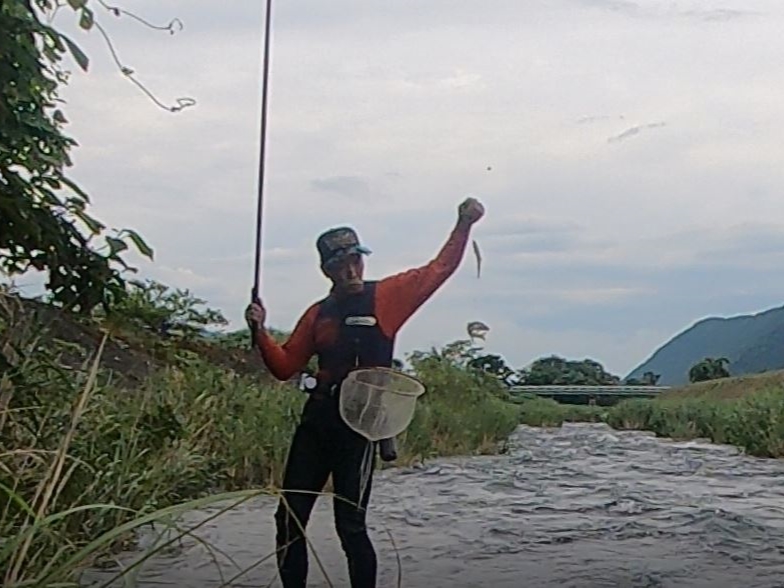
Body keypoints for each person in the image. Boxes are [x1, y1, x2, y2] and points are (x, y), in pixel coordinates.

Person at [244, 196, 485, 588]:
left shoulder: (388, 297)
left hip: (359, 428)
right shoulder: (317, 313)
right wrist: (259, 330)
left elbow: (439, 269)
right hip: (316, 424)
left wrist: (463, 224)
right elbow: (285, 367)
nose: (352, 269)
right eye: (341, 264)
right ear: (327, 270)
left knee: (350, 526)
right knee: (288, 519)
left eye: (357, 259)